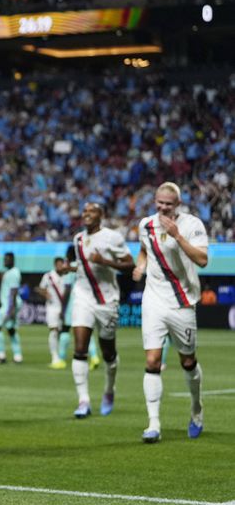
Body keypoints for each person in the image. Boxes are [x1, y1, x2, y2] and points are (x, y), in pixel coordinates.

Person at [132, 182, 209, 443]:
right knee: (152, 361)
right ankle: (153, 424)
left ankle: (196, 409)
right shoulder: (146, 225)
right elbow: (144, 250)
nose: (163, 207)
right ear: (155, 201)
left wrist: (177, 236)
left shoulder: (192, 225)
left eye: (168, 203)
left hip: (182, 302)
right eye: (160, 202)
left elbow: (202, 260)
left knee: (187, 361)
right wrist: (141, 266)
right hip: (153, 300)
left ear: (178, 204)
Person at [70, 202, 135, 418]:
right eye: (84, 211)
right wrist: (68, 268)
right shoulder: (78, 239)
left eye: (92, 211)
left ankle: (109, 389)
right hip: (83, 297)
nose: (86, 214)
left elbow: (130, 265)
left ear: (101, 215)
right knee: (80, 348)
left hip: (107, 300)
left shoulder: (112, 237)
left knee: (108, 352)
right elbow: (83, 267)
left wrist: (104, 261)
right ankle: (83, 400)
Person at [56, 245, 101, 370]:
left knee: (65, 330)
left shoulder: (70, 268)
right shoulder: (82, 267)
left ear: (70, 255)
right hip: (86, 302)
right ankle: (94, 357)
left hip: (73, 304)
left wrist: (62, 309)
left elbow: (67, 289)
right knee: (86, 331)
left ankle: (61, 359)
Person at [36, 257, 67, 368]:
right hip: (52, 307)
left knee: (62, 333)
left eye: (62, 264)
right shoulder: (48, 276)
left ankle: (61, 356)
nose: (60, 266)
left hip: (64, 308)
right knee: (53, 330)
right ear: (55, 265)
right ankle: (54, 357)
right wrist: (45, 294)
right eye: (58, 264)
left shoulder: (67, 275)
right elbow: (40, 288)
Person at [0, 252, 23, 364]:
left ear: (12, 260)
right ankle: (18, 356)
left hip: (9, 305)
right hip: (7, 304)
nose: (5, 261)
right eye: (4, 259)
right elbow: (4, 290)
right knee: (11, 330)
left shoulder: (14, 273)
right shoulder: (8, 272)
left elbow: (14, 291)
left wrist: (11, 309)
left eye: (7, 259)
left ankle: (1, 356)